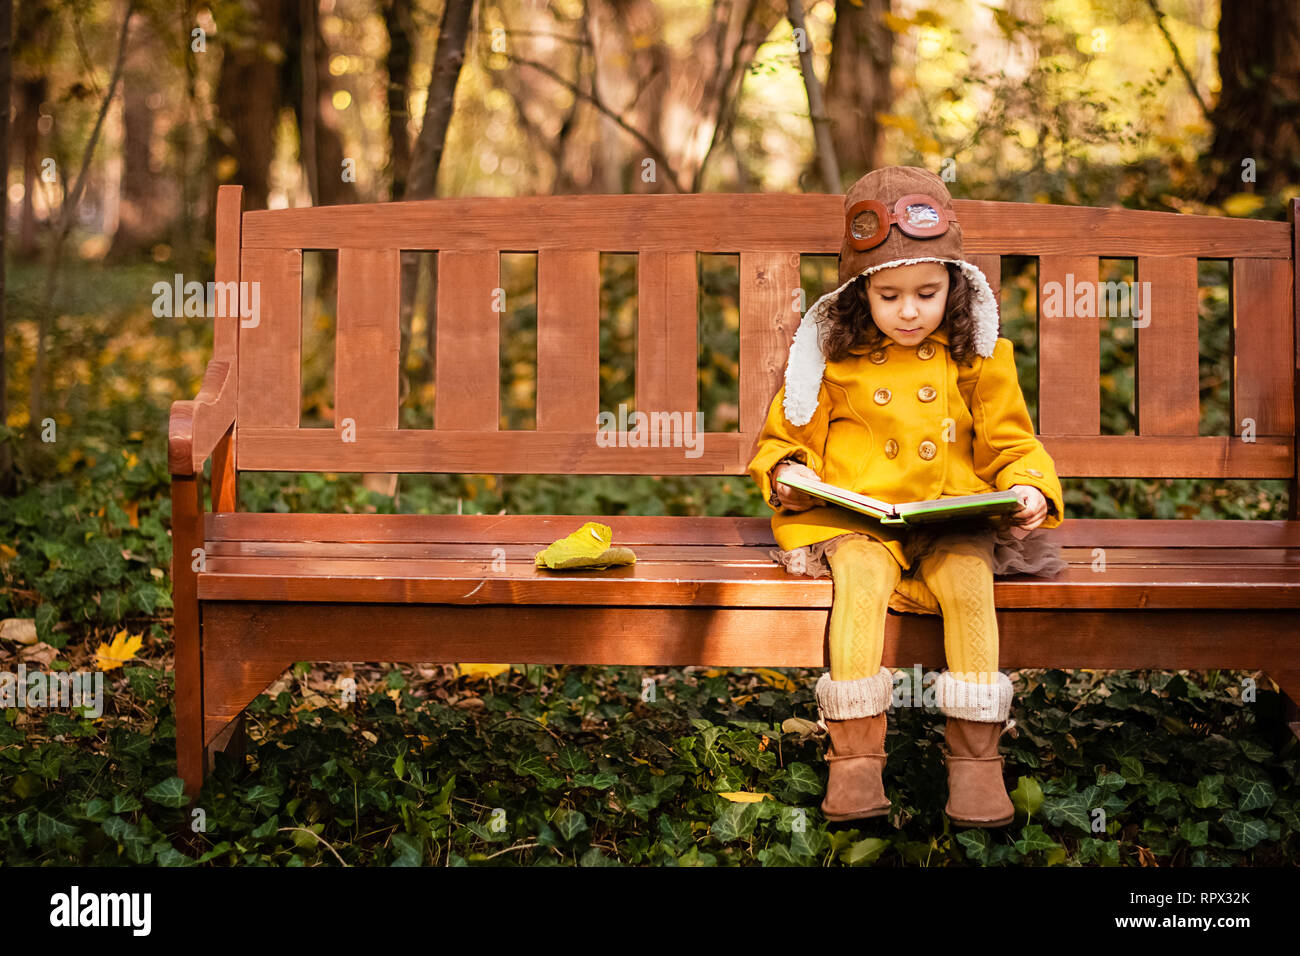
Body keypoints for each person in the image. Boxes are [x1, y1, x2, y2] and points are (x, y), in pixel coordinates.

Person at [746, 165, 1067, 828]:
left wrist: (1028, 486)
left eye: (926, 291)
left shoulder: (976, 354)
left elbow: (1012, 442)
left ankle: (977, 764)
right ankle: (855, 763)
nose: (910, 311)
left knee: (969, 580)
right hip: (857, 520)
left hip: (949, 516)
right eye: (889, 295)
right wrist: (788, 473)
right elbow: (788, 435)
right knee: (859, 580)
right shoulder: (833, 357)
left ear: (954, 283)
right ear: (862, 292)